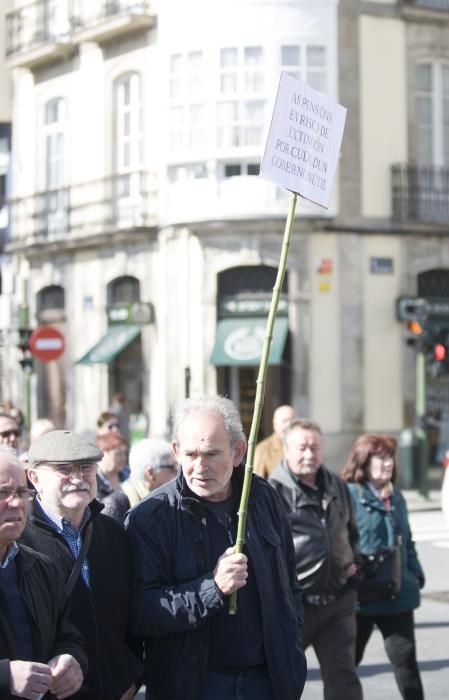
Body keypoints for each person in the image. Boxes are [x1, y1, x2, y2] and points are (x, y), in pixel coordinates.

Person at [126, 396, 306, 700]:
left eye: (211, 454)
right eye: (191, 454)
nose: (199, 466)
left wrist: (291, 646)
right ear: (176, 452)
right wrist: (213, 588)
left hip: (268, 680)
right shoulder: (150, 518)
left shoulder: (264, 498)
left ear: (238, 452)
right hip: (194, 685)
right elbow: (142, 612)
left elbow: (289, 584)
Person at [22, 430, 143, 700]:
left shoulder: (113, 533)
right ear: (35, 478)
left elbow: (132, 612)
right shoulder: (19, 542)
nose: (77, 478)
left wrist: (131, 674)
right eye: (64, 469)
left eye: (86, 467)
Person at [269, 419, 362, 700]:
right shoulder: (272, 492)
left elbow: (351, 530)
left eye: (315, 447)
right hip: (294, 607)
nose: (309, 454)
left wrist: (352, 562)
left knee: (343, 680)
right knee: (282, 681)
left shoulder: (335, 483)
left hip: (338, 601)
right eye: (302, 448)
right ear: (286, 450)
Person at [341, 433, 425, 700]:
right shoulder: (349, 494)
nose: (388, 463)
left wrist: (415, 570)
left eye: (390, 457)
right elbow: (337, 541)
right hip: (361, 597)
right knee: (346, 667)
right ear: (364, 461)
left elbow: (408, 541)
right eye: (381, 457)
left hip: (397, 592)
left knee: (406, 663)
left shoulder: (396, 496)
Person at [0, 446, 87, 700]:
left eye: (21, 492)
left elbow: (67, 634)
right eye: (3, 492)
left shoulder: (40, 567)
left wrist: (71, 659)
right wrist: (5, 677)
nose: (16, 503)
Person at [102, 438, 177, 523]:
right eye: (172, 468)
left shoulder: (163, 502)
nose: (177, 474)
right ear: (150, 473)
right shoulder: (115, 506)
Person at [253, 405, 294, 478]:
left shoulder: (300, 447)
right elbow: (258, 481)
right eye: (285, 421)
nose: (289, 424)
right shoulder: (263, 449)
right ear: (275, 423)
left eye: (292, 420)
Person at [95, 431, 128, 499]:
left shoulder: (128, 475)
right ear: (103, 453)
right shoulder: (93, 479)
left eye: (124, 453)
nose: (123, 458)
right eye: (118, 454)